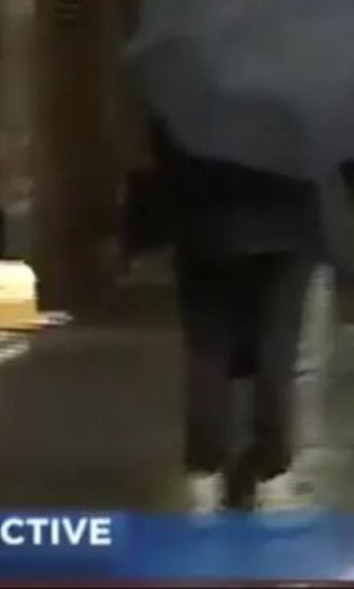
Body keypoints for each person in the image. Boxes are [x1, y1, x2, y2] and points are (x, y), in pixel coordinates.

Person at [149, 124, 321, 514]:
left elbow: (163, 152)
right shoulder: (301, 84)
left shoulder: (194, 81)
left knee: (207, 351)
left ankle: (205, 470)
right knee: (277, 348)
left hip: (205, 229)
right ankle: (271, 472)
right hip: (286, 228)